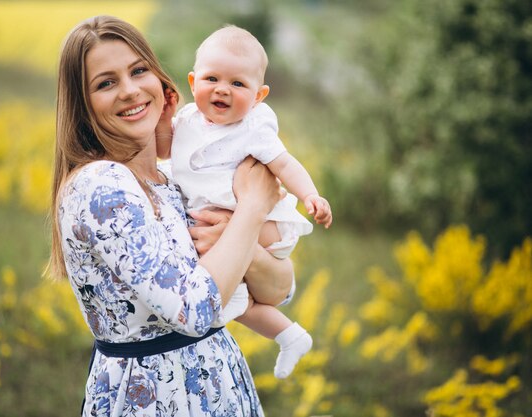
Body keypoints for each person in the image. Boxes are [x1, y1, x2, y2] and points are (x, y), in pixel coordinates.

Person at [48, 15, 296, 416]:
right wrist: (251, 208)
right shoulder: (102, 185)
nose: (130, 91)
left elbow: (280, 290)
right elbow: (196, 310)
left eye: (138, 70)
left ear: (160, 80)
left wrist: (243, 241)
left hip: (219, 384)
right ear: (83, 104)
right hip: (158, 398)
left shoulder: (169, 181)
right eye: (105, 83)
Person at [156, 26, 333, 379]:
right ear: (193, 82)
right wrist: (165, 118)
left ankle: (286, 333)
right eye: (212, 78)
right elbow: (164, 150)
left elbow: (284, 163)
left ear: (258, 95)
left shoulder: (252, 129)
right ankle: (290, 335)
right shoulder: (188, 120)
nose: (223, 89)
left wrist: (310, 194)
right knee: (233, 302)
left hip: (264, 225)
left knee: (225, 294)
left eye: (238, 84)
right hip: (229, 223)